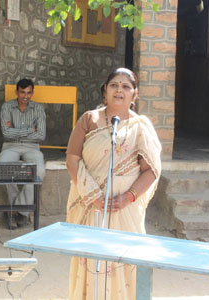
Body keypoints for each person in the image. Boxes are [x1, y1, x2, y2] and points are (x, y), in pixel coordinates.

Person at [65, 67, 162, 299]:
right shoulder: (90, 119)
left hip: (124, 210)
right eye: (114, 85)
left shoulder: (140, 127)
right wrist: (92, 196)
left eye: (126, 86)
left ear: (134, 94)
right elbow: (72, 157)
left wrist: (128, 198)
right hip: (91, 207)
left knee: (125, 261)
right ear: (105, 92)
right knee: (90, 262)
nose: (120, 90)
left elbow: (151, 171)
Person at [0, 78, 46, 229]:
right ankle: (20, 212)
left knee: (39, 172)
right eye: (22, 92)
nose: (25, 96)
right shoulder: (7, 107)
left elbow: (41, 135)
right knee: (2, 167)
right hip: (10, 146)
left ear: (32, 93)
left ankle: (16, 210)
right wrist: (30, 130)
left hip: (32, 147)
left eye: (29, 93)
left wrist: (15, 131)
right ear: (16, 92)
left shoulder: (38, 108)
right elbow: (6, 133)